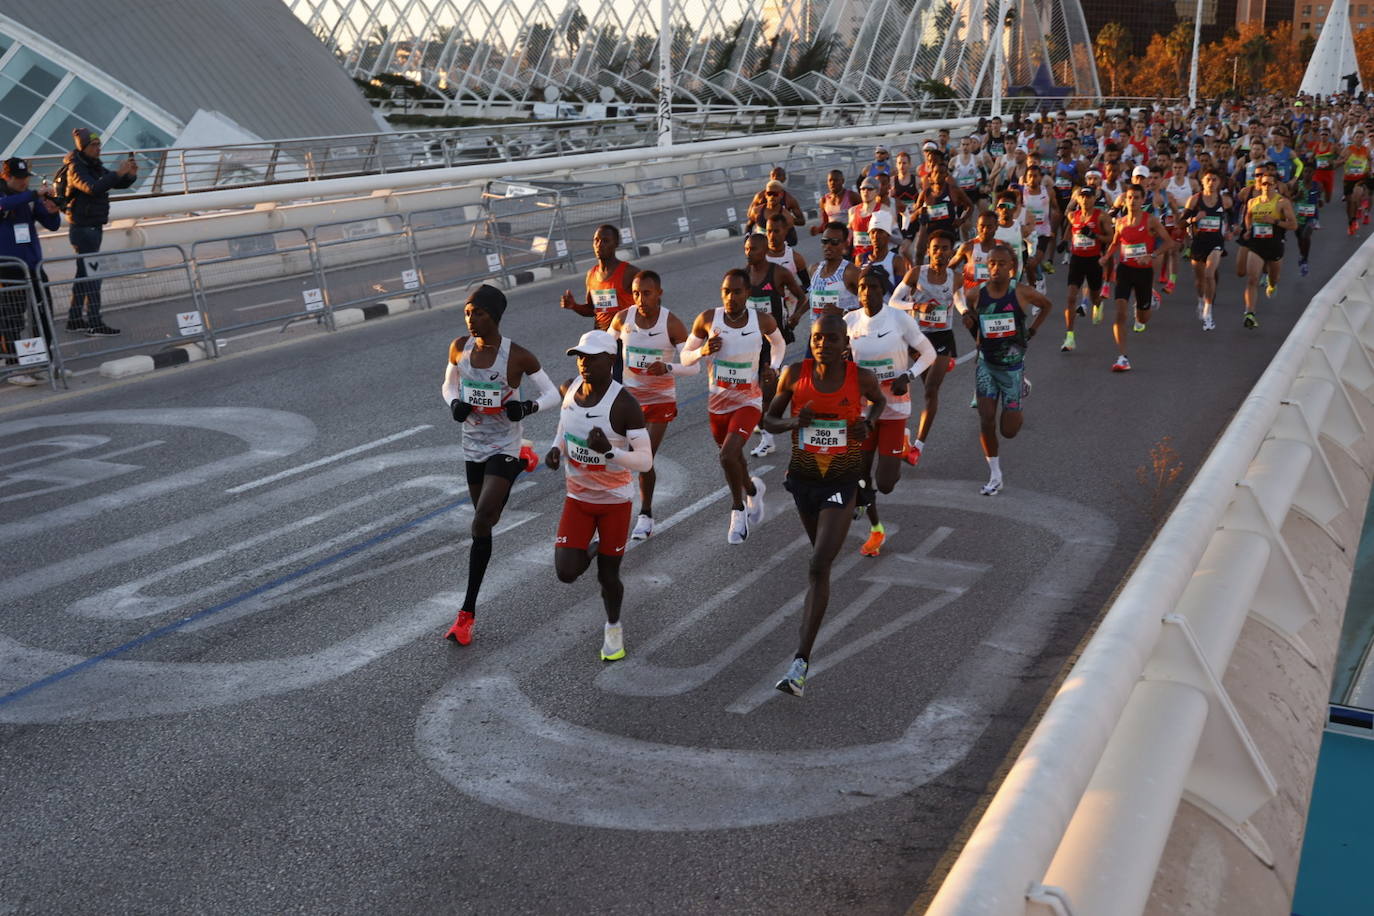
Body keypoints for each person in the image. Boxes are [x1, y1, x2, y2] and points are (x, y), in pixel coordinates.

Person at [762, 313, 885, 697]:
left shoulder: (859, 377)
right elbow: (769, 420)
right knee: (819, 560)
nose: (823, 344)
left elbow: (878, 402)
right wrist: (796, 422)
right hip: (803, 480)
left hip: (841, 480)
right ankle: (864, 504)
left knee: (818, 565)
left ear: (844, 343)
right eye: (818, 338)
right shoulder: (794, 374)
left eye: (832, 339)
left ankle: (800, 664)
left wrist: (869, 421)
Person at [441, 285, 560, 645]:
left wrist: (526, 408)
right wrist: (453, 405)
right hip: (473, 446)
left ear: (494, 316)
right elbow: (447, 386)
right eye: (467, 312)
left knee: (480, 520)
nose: (471, 319)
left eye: (478, 313)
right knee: (486, 522)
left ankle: (465, 615)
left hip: (504, 444)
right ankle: (526, 456)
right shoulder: (459, 347)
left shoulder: (516, 356)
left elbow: (553, 393)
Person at [544, 329, 653, 662]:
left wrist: (610, 453)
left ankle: (613, 628)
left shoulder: (624, 405)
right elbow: (565, 424)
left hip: (614, 503)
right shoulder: (569, 388)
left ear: (611, 360)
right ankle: (595, 547)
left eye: (591, 357)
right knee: (566, 571)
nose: (583, 363)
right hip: (578, 498)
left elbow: (646, 460)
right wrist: (555, 448)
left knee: (608, 576)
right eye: (579, 356)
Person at [681, 269, 786, 543]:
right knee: (734, 458)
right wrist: (701, 351)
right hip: (718, 403)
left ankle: (737, 510)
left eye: (737, 291)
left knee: (728, 456)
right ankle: (752, 490)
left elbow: (779, 344)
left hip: (748, 400)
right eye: (726, 291)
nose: (731, 297)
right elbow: (684, 357)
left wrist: (773, 367)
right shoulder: (707, 319)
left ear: (747, 294)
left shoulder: (760, 320)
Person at [845, 265, 935, 555]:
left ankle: (903, 443)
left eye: (872, 287)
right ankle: (876, 530)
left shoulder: (898, 318)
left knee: (885, 484)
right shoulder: (850, 321)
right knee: (860, 472)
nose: (866, 292)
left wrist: (907, 376)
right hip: (864, 411)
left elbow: (930, 353)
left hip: (895, 408)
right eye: (862, 287)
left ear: (883, 291)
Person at [609, 270, 697, 540]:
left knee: (644, 457)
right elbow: (605, 351)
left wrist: (667, 367)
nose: (640, 299)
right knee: (620, 459)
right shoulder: (623, 319)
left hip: (660, 402)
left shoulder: (672, 324)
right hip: (629, 401)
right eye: (636, 293)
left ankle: (645, 514)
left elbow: (693, 367)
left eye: (646, 293)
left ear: (659, 293)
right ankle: (614, 511)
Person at [965, 244, 1052, 495]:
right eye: (991, 263)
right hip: (986, 366)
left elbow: (1047, 305)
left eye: (1002, 264)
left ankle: (1022, 387)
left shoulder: (1022, 293)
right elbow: (974, 319)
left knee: (1009, 431)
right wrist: (977, 337)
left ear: (1011, 268)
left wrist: (1032, 330)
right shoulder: (976, 295)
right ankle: (995, 474)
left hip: (1012, 369)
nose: (995, 268)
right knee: (986, 418)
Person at [61, 127, 137, 336]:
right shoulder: (76, 167)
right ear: (83, 147)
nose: (98, 148)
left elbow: (110, 183)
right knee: (94, 274)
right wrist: (117, 173)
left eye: (99, 144)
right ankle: (94, 321)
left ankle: (75, 320)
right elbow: (93, 188)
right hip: (83, 228)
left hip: (93, 225)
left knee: (84, 274)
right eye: (93, 145)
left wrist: (129, 176)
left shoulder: (93, 165)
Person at [893, 230, 959, 466]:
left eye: (944, 248)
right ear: (928, 251)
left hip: (942, 337)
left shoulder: (955, 277)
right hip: (916, 337)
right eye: (935, 248)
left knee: (931, 389)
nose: (940, 253)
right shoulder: (915, 274)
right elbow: (893, 302)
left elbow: (958, 300)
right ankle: (907, 435)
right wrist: (915, 307)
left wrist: (968, 314)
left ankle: (917, 446)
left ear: (951, 252)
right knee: (923, 385)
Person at [742, 231, 807, 457]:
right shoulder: (742, 276)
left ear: (766, 251)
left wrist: (796, 316)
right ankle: (781, 381)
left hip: (773, 341)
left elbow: (803, 297)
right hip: (750, 342)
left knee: (765, 392)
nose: (750, 253)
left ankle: (768, 440)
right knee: (753, 391)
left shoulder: (778, 273)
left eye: (755, 249)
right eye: (747, 249)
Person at [0, 157, 61, 387]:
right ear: (6, 177)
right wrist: (33, 195)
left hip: (33, 266)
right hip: (9, 268)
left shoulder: (26, 198)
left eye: (26, 179)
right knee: (11, 319)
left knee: (43, 315)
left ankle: (43, 362)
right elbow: (4, 205)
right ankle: (14, 367)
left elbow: (52, 224)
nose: (24, 183)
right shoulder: (8, 196)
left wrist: (53, 210)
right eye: (19, 179)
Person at [1101, 184, 1174, 371]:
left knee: (1142, 319)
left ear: (1143, 201)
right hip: (1125, 270)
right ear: (1125, 200)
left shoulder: (1151, 221)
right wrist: (1106, 257)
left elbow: (1169, 242)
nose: (1133, 201)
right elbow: (1115, 243)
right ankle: (1122, 357)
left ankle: (1151, 298)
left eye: (1137, 198)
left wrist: (1152, 255)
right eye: (1130, 197)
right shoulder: (1120, 222)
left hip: (1144, 272)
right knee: (1120, 312)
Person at [1235, 170, 1297, 329]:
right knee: (1252, 279)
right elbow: (1248, 217)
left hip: (1275, 244)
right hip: (1256, 244)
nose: (1267, 186)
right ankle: (1249, 313)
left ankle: (1272, 285)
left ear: (1275, 185)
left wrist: (1275, 221)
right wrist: (1248, 230)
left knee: (1274, 278)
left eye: (1270, 183)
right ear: (1259, 185)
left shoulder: (1282, 202)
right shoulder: (1253, 202)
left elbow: (1293, 225)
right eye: (1264, 183)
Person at [1061, 185, 1112, 351]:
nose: (1085, 199)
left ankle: (1098, 305)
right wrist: (1063, 241)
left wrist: (1094, 235)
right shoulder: (1073, 215)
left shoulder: (1101, 216)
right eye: (1082, 196)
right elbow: (1070, 228)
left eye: (1088, 196)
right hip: (1077, 260)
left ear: (1094, 199)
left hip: (1093, 261)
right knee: (1070, 297)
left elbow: (1111, 237)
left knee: (1095, 297)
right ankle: (1069, 337)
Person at [1182, 169, 1233, 331]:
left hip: (1216, 242)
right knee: (1199, 280)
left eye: (1214, 179)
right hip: (1198, 242)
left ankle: (1208, 311)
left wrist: (1232, 229)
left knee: (1209, 273)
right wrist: (1194, 219)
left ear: (1219, 182)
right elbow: (1181, 223)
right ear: (1202, 182)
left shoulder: (1224, 201)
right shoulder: (1194, 200)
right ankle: (1200, 299)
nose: (1211, 182)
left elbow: (1232, 216)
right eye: (1208, 179)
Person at [807, 221, 860, 317]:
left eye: (834, 242)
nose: (828, 246)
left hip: (845, 330)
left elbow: (870, 306)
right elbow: (814, 297)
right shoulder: (814, 269)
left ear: (845, 244)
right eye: (825, 241)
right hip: (818, 329)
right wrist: (797, 315)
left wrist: (842, 312)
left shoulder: (851, 272)